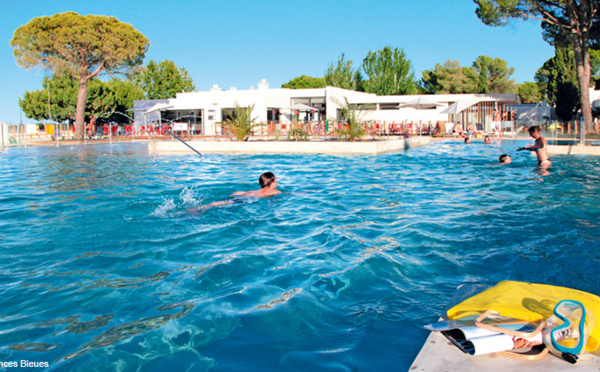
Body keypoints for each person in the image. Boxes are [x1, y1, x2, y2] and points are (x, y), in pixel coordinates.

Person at [193, 172, 281, 212]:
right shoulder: (275, 192)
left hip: (240, 196)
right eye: (276, 180)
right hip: (246, 200)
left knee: (217, 203)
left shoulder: (253, 191)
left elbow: (237, 193)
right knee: (222, 204)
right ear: (272, 183)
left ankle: (197, 208)